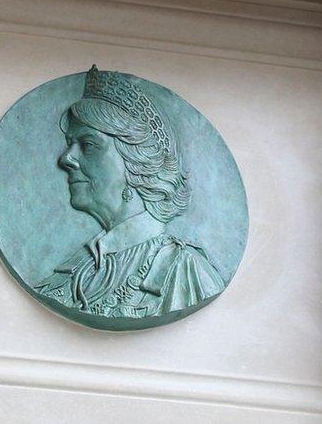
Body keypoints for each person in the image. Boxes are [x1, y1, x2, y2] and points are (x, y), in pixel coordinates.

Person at [34, 65, 224, 318]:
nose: (66, 158)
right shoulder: (77, 268)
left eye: (88, 145)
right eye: (70, 144)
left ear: (137, 161)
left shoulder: (186, 272)